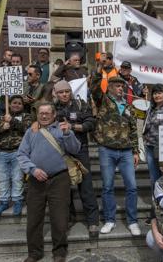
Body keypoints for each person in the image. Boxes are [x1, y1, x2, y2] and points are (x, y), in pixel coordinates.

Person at [18, 103, 81, 262]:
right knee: (33, 219)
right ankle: (34, 253)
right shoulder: (30, 132)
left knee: (59, 218)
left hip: (59, 179)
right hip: (35, 180)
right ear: (37, 115)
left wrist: (68, 134)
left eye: (47, 113)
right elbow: (22, 155)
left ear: (53, 115)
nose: (44, 116)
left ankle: (59, 252)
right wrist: (33, 170)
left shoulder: (62, 129)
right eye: (41, 113)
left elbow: (75, 149)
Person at [91, 73, 140, 236]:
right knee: (107, 186)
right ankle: (109, 220)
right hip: (107, 149)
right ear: (110, 88)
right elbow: (94, 89)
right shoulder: (103, 100)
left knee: (132, 187)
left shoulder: (128, 106)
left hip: (126, 151)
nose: (121, 89)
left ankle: (132, 221)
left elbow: (134, 130)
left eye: (122, 86)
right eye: (117, 86)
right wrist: (98, 72)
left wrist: (135, 151)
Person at [53, 80, 100, 238]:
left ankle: (93, 221)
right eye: (61, 92)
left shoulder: (81, 104)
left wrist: (73, 127)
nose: (64, 94)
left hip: (80, 149)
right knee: (63, 188)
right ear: (56, 93)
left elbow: (91, 123)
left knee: (85, 186)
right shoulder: (52, 108)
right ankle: (68, 219)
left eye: (67, 91)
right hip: (61, 152)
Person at [0, 95, 31, 217]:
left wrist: (12, 121)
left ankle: (17, 200)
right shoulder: (2, 117)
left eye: (19, 103)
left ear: (23, 106)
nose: (16, 105)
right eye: (14, 102)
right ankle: (4, 201)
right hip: (2, 153)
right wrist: (2, 126)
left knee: (17, 178)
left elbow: (27, 128)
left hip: (18, 153)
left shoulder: (26, 116)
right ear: (9, 104)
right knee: (3, 179)